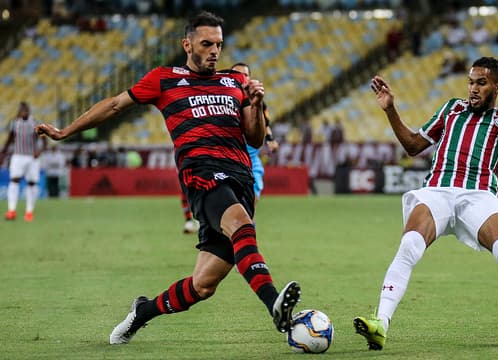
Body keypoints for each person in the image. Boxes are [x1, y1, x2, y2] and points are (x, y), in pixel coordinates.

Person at [36, 11, 301, 345]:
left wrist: (256, 105)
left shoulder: (234, 83)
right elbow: (115, 105)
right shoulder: (164, 79)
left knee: (203, 285)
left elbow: (255, 139)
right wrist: (65, 132)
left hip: (241, 179)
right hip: (202, 176)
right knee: (241, 225)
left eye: (219, 44)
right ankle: (273, 304)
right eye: (207, 44)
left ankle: (142, 312)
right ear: (187, 44)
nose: (214, 51)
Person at [353, 57, 498, 349]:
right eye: (470, 82)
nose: (473, 89)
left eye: (481, 83)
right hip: (437, 190)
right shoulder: (452, 109)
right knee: (410, 244)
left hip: (478, 196)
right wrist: (390, 109)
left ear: (497, 86)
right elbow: (414, 145)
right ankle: (380, 322)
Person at [231, 62, 279, 201]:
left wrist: (270, 139)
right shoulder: (225, 100)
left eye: (245, 75)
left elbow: (265, 123)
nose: (241, 78)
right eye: (237, 75)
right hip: (230, 158)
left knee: (252, 199)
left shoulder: (257, 100)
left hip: (251, 158)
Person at [0, 101, 47, 221]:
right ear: (19, 111)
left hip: (32, 157)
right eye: (22, 110)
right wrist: (3, 154)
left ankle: (29, 212)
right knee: (14, 180)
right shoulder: (14, 123)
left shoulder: (35, 123)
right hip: (18, 156)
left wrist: (39, 151)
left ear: (29, 111)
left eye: (26, 110)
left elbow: (44, 141)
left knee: (31, 183)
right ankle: (11, 210)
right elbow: (9, 139)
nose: (24, 112)